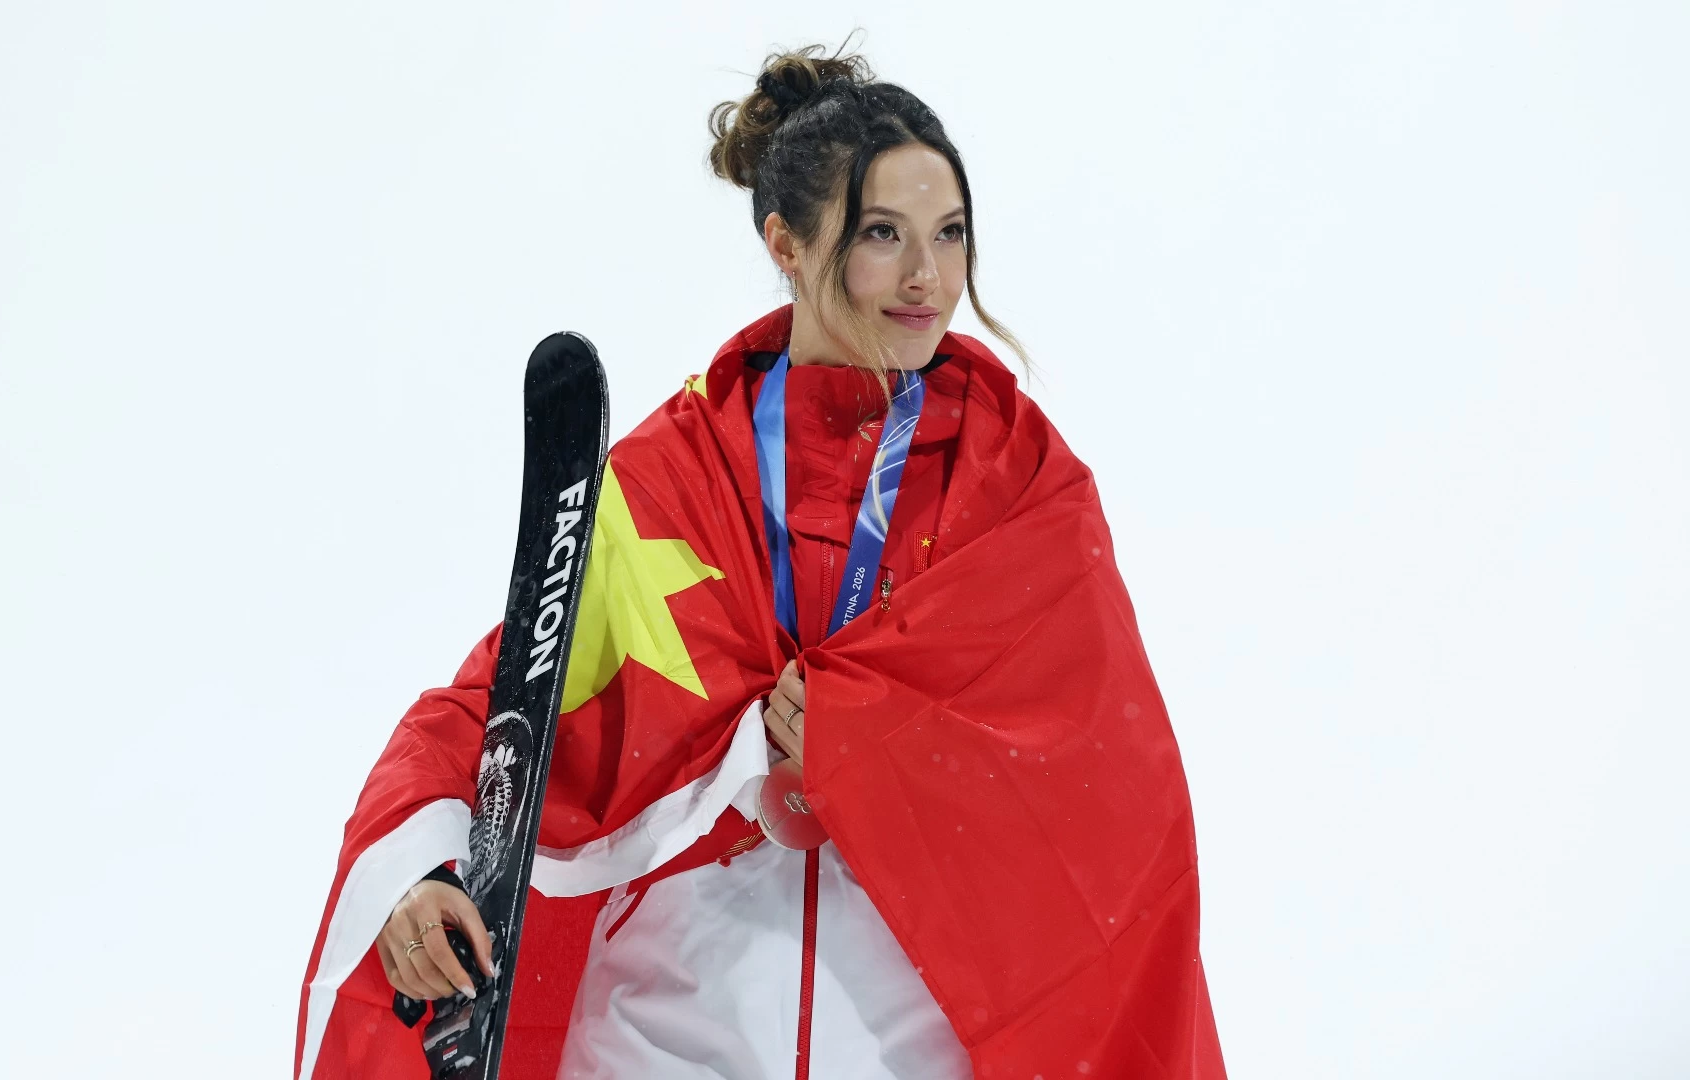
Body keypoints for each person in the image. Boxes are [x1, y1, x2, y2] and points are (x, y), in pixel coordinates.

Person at [296, 41, 1226, 1080]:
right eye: (883, 235)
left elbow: (1106, 789)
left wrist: (875, 741)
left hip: (914, 1051)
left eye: (950, 235)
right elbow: (505, 704)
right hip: (662, 1042)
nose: (929, 278)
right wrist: (413, 873)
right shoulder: (681, 470)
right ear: (786, 242)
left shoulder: (1016, 481)